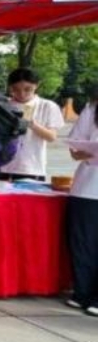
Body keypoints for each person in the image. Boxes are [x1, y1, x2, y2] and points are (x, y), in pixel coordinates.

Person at [0, 68, 65, 182]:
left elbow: (51, 137)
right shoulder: (3, 105)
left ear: (36, 85)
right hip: (1, 167)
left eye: (27, 89)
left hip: (31, 168)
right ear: (10, 87)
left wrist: (33, 125)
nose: (22, 94)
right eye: (15, 89)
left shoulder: (47, 106)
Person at [66, 85, 98, 315]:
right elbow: (75, 145)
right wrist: (82, 152)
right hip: (86, 187)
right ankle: (82, 292)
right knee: (82, 243)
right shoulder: (92, 108)